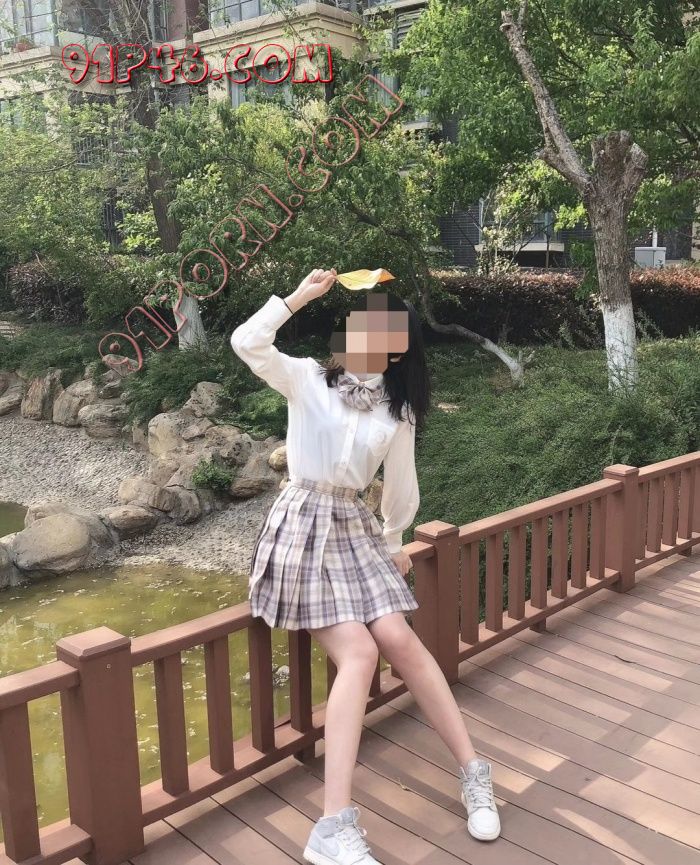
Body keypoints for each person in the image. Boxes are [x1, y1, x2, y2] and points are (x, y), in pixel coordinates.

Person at [231, 268, 501, 865]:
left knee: (399, 640)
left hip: (354, 530)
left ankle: (473, 771)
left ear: (396, 346)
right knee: (359, 652)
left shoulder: (396, 412)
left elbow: (401, 485)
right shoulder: (306, 378)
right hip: (302, 526)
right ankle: (333, 826)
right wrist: (299, 296)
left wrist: (395, 538)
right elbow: (246, 342)